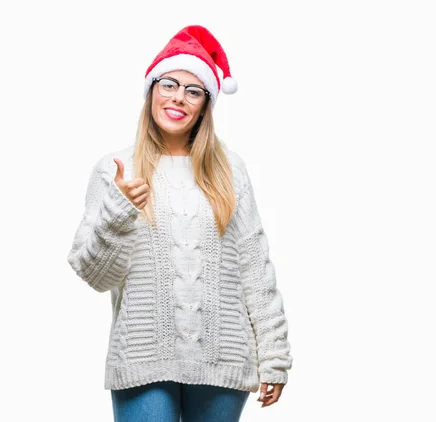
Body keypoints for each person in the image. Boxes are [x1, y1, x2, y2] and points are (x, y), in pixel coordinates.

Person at [66, 25, 293, 422]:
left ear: (206, 104)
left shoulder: (230, 170)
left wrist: (274, 354)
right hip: (143, 357)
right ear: (151, 89)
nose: (178, 98)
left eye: (193, 90)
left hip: (223, 359)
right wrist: (117, 212)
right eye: (169, 84)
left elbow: (255, 269)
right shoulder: (116, 169)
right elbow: (94, 275)